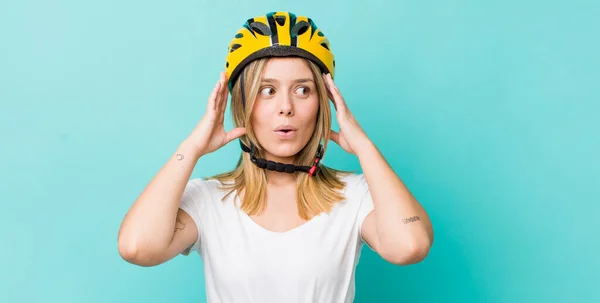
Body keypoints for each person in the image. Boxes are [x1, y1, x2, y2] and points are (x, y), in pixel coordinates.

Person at [118, 11, 434, 303]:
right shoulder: (210, 200)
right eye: (267, 90)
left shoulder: (354, 195)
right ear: (243, 104)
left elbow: (410, 246)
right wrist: (192, 147)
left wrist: (366, 148)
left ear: (324, 103)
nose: (286, 107)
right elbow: (137, 247)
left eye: (303, 90)